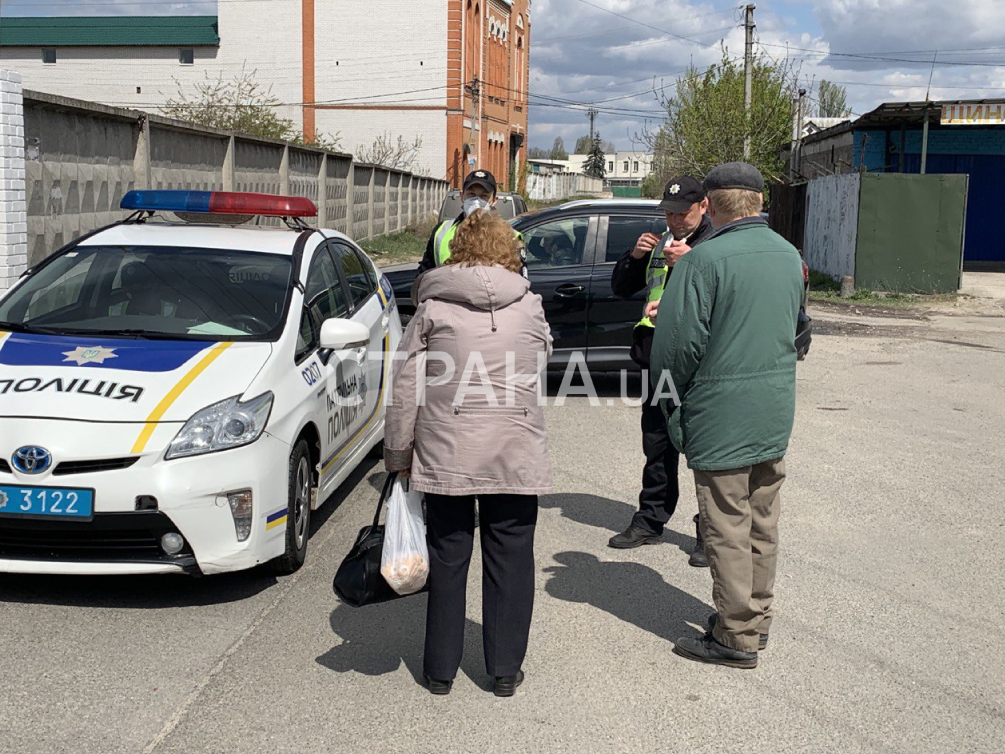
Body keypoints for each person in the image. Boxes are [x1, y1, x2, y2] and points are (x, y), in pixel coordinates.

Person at [384, 208, 553, 696]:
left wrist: (398, 456)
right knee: (512, 557)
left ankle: (439, 671)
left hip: (448, 448)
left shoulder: (433, 310)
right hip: (515, 447)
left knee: (448, 554)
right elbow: (541, 359)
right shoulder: (530, 305)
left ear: (457, 250)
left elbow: (404, 388)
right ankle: (503, 671)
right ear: (508, 251)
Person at [650, 162, 804, 669]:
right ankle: (756, 618)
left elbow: (675, 349)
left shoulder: (703, 261)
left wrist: (671, 401)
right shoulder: (788, 256)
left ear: (710, 207)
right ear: (760, 204)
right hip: (774, 410)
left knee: (727, 524)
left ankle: (735, 635)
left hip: (722, 415)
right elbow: (800, 333)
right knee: (763, 519)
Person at [608, 176, 713, 566]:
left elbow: (720, 300)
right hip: (657, 360)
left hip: (699, 363)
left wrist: (693, 264)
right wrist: (634, 257)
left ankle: (709, 532)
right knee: (657, 444)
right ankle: (651, 521)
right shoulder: (659, 243)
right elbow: (621, 287)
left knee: (703, 450)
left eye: (682, 213)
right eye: (668, 213)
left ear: (704, 206)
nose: (674, 220)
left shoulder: (715, 246)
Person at [418, 169, 526, 276]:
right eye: (471, 194)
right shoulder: (441, 232)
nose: (476, 200)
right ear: (462, 196)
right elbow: (424, 274)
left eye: (484, 196)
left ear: (494, 200)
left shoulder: (510, 236)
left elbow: (518, 282)